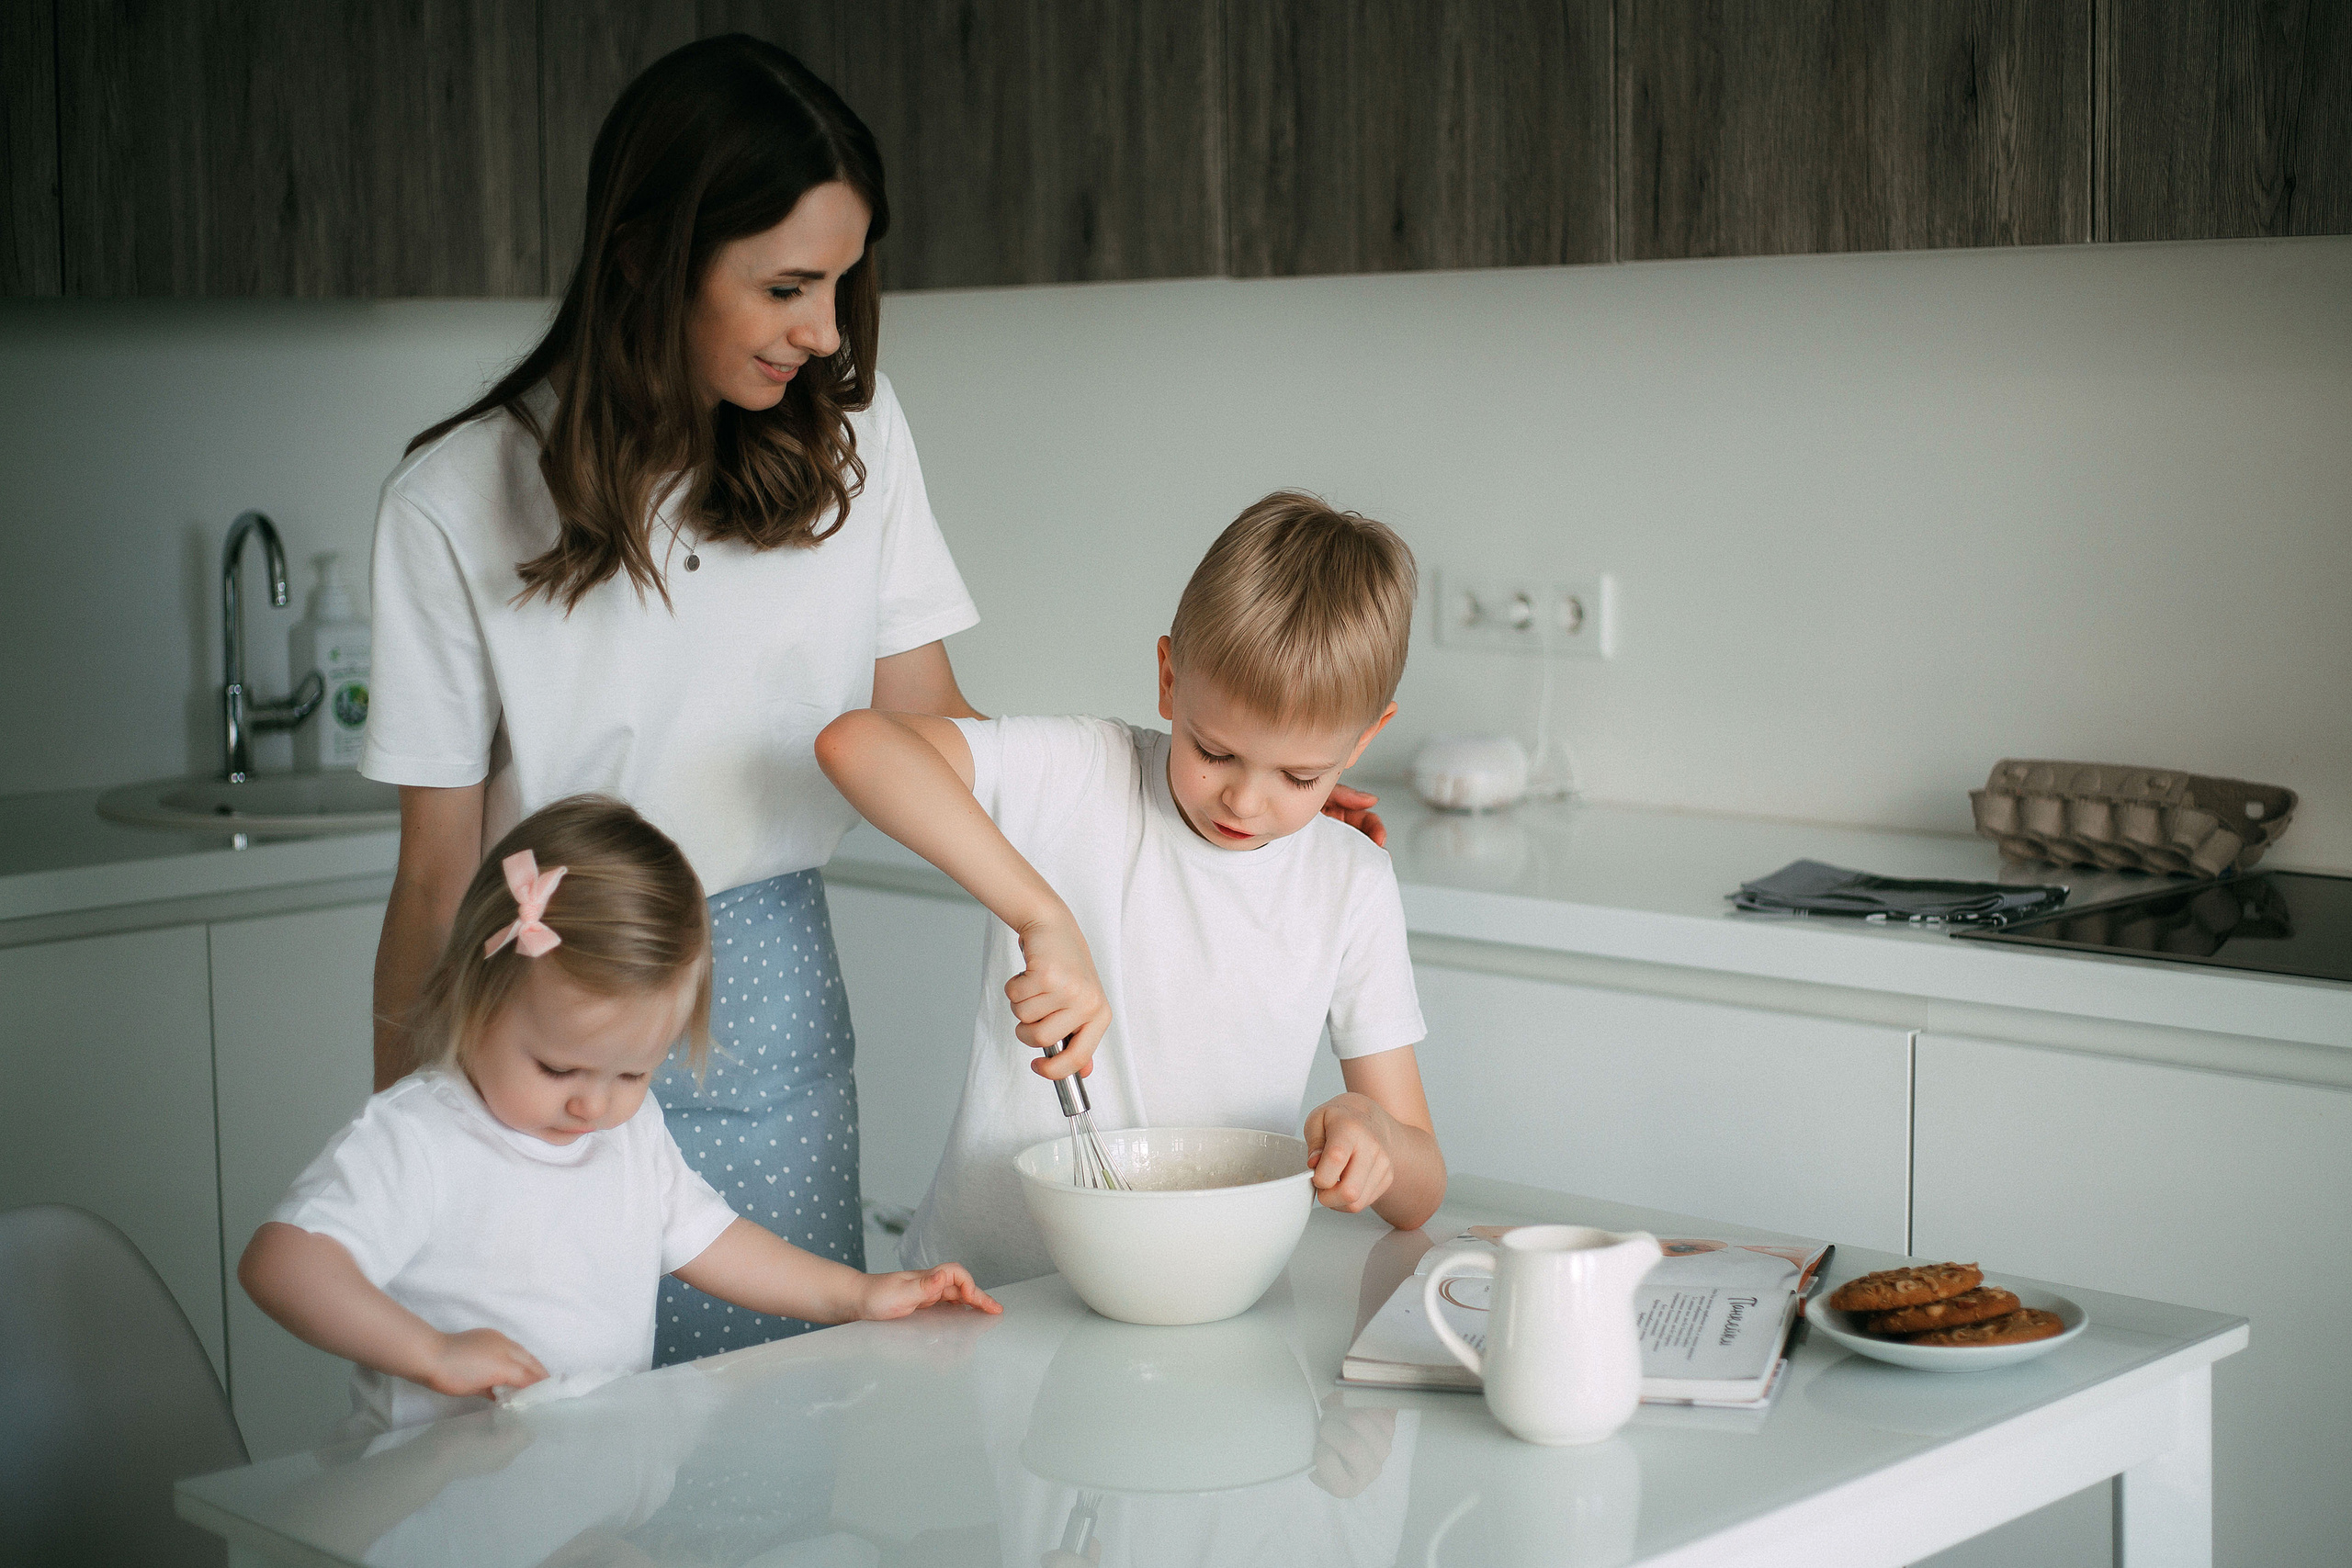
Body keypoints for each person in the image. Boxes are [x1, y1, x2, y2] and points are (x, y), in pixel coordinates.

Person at [361, 33, 1385, 1365]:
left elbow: (937, 732)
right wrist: (406, 1153)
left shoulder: (852, 437)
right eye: (787, 285)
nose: (827, 331)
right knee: (543, 1422)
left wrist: (1217, 798)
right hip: (536, 1020)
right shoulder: (452, 501)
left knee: (776, 1414)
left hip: (769, 996)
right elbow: (435, 877)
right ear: (648, 258)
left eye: (842, 282)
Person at [816, 492, 1447, 1287]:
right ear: (1169, 679)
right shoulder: (1080, 774)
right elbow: (855, 744)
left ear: (1365, 738)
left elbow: (1422, 1192)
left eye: (1299, 776)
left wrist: (1376, 1134)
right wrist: (1041, 915)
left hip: (1203, 1289)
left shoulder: (1351, 882)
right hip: (986, 1289)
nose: (1245, 800)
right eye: (1213, 751)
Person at [241, 796, 998, 1438]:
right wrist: (432, 1353)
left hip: (581, 1491)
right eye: (556, 1067)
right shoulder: (420, 1138)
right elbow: (282, 1264)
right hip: (437, 1500)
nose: (592, 1103)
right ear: (475, 997)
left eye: (634, 1072)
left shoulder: (628, 1134)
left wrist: (858, 1295)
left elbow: (717, 1241)